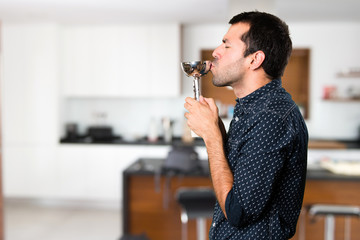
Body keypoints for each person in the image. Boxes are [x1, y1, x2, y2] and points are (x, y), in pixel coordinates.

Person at [184, 11, 308, 239]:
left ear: (255, 59)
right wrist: (217, 130)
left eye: (226, 45)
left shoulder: (271, 117)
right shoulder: (252, 109)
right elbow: (238, 175)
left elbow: (238, 212)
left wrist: (212, 138)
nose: (215, 52)